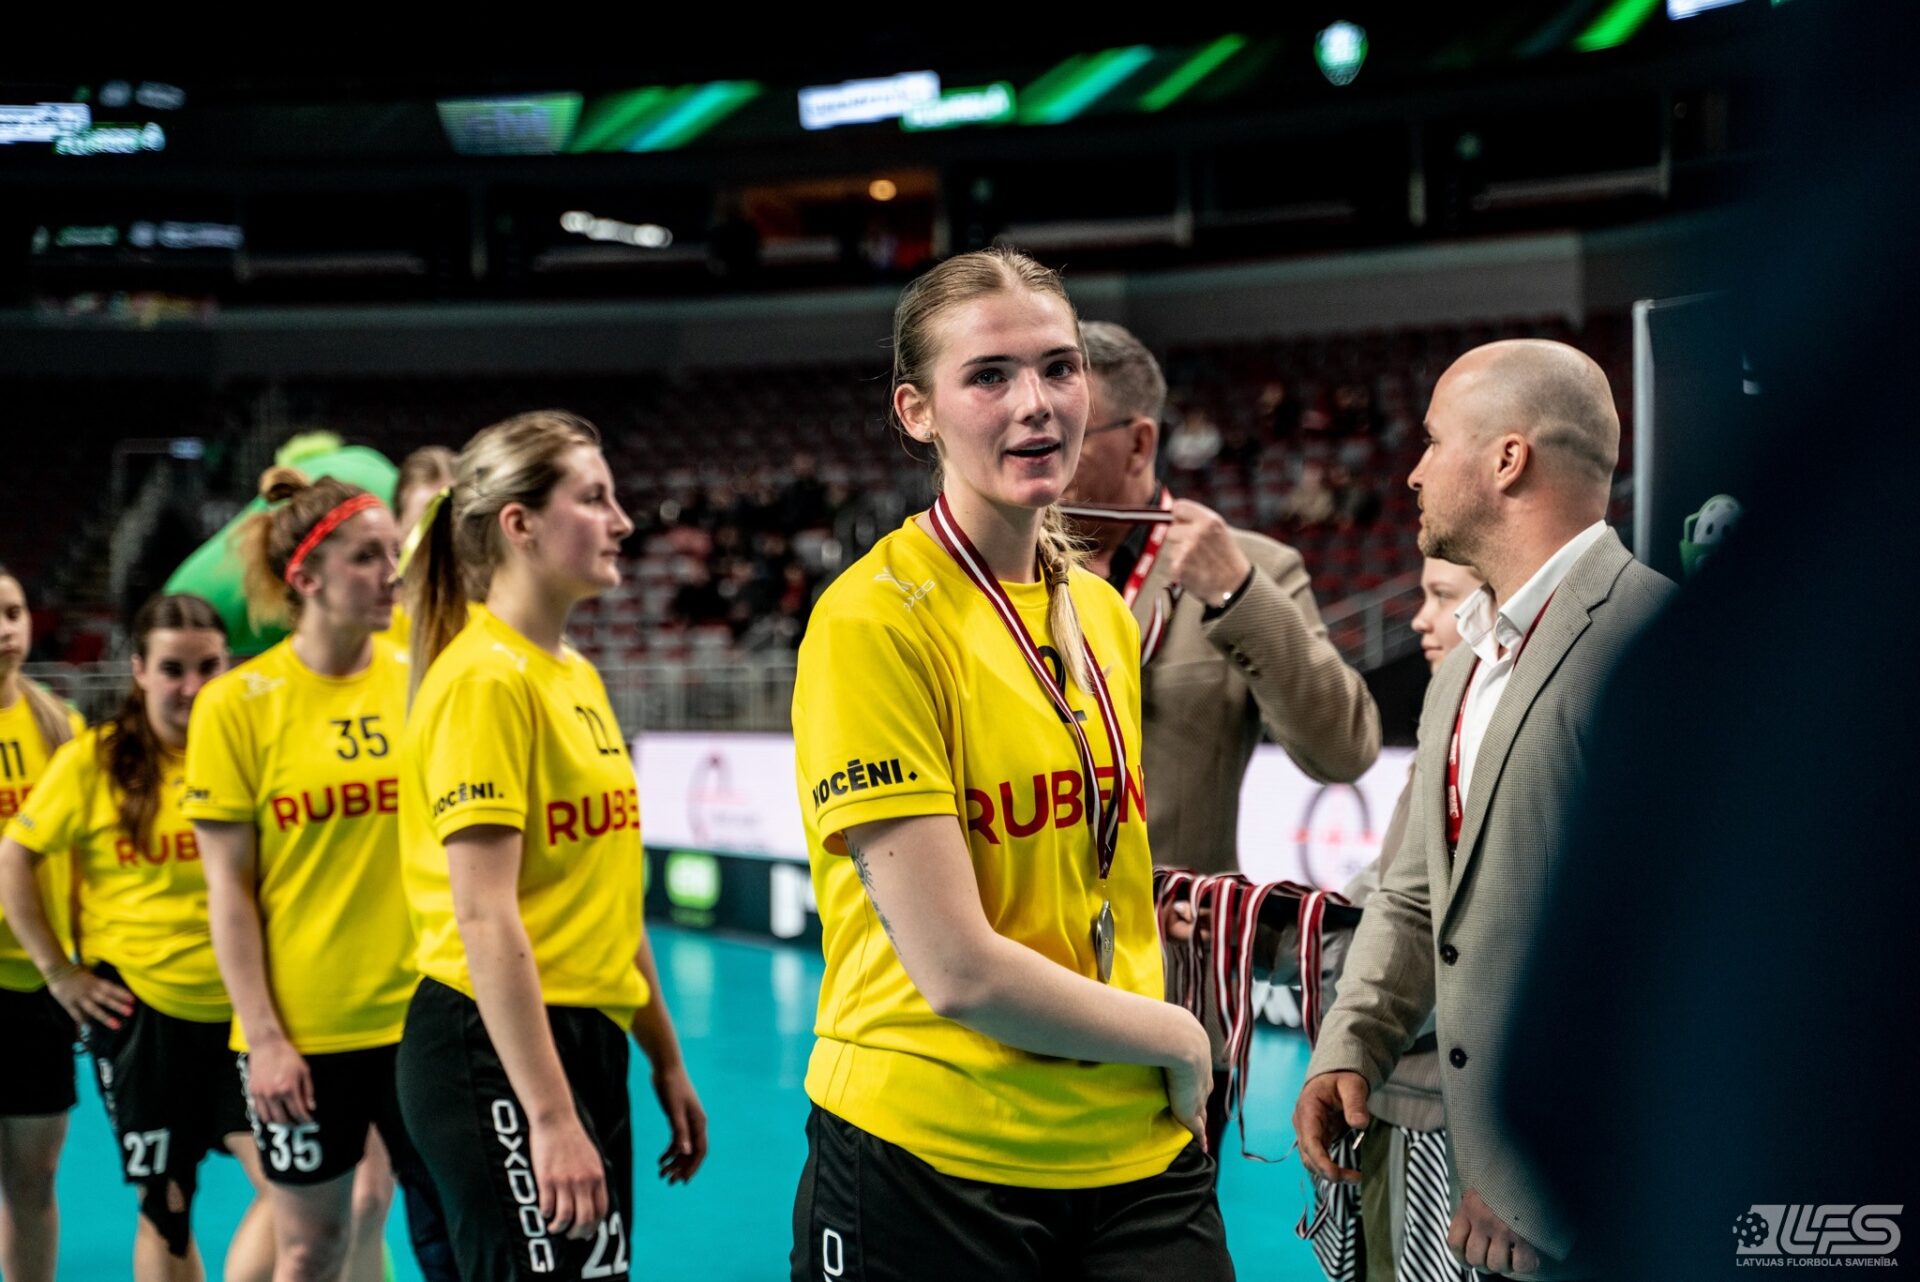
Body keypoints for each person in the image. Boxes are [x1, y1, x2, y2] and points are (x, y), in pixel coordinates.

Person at [788, 248, 1231, 1282]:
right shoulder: (873, 622)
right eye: (988, 376)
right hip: (934, 1154)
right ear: (917, 412)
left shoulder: (1102, 617)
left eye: (1058, 367)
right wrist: (1179, 1034)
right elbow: (958, 970)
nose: (1036, 404)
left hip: (1129, 1139)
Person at [1293, 339, 1673, 1280]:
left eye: (1432, 442)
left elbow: (1668, 950)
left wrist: (1533, 1171)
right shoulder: (1467, 661)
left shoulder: (1654, 643)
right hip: (1466, 1174)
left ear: (1508, 460)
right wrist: (1352, 1042)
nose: (1412, 472)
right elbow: (1416, 894)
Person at [396, 410, 707, 1281]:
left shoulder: (573, 674)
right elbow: (484, 917)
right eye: (594, 498)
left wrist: (665, 1059)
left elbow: (605, 898)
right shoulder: (483, 681)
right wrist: (549, 1113)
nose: (623, 522)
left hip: (582, 1036)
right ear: (520, 524)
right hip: (491, 1048)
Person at [1061, 320, 1380, 1156]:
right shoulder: (1001, 574)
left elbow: (1344, 750)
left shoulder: (1254, 567)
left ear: (1140, 442)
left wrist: (1237, 594)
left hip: (1172, 1005)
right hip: (1020, 991)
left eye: (1068, 428)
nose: (1040, 447)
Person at [186, 467, 454, 1282]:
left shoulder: (423, 673)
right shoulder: (237, 704)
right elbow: (229, 892)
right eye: (367, 558)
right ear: (306, 578)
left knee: (451, 1233)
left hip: (425, 1020)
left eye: (394, 554)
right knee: (310, 1247)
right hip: (307, 1033)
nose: (391, 575)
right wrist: (265, 1036)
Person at [0, 593, 275, 1282]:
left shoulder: (256, 752)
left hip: (249, 1012)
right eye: (173, 668)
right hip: (140, 1017)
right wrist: (61, 972)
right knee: (166, 1209)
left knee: (293, 1188)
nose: (192, 686)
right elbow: (16, 858)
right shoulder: (94, 762)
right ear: (140, 670)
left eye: (209, 667)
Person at [1313, 557, 1484, 1282]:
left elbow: (1438, 939)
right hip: (1395, 1101)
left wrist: (1323, 970)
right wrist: (1269, 931)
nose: (1419, 619)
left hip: (1448, 1129)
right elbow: (1391, 894)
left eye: (1442, 597)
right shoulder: (1447, 729)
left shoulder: (1500, 738)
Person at [0, 566, 84, 1282]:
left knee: (34, 1178)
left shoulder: (62, 726)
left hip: (38, 989)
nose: (3, 630)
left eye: (13, 612)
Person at [385, 446, 458, 650]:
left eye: (451, 526)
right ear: (396, 529)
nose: (439, 543)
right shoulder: (375, 624)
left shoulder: (500, 617)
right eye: (422, 529)